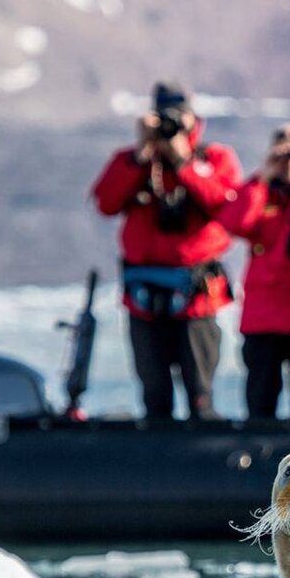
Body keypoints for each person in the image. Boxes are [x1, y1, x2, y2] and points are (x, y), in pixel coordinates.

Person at [92, 81, 242, 420]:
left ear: (194, 118)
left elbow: (226, 206)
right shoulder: (134, 161)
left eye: (180, 115)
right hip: (143, 299)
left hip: (196, 297)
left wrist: (184, 161)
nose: (172, 123)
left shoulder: (214, 158)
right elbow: (106, 202)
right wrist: (140, 154)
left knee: (200, 393)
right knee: (154, 393)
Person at [220, 124, 290, 419]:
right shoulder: (261, 194)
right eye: (283, 152)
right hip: (264, 316)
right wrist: (264, 174)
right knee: (261, 398)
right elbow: (233, 223)